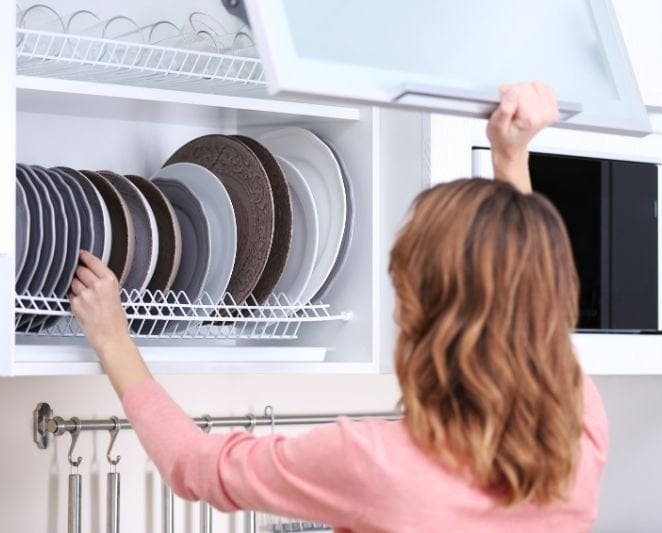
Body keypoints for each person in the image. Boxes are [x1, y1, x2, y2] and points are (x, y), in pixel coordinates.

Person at [69, 82, 608, 532]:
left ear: (419, 313)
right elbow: (533, 309)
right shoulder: (576, 440)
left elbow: (196, 467)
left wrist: (115, 339)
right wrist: (510, 159)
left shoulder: (378, 464)